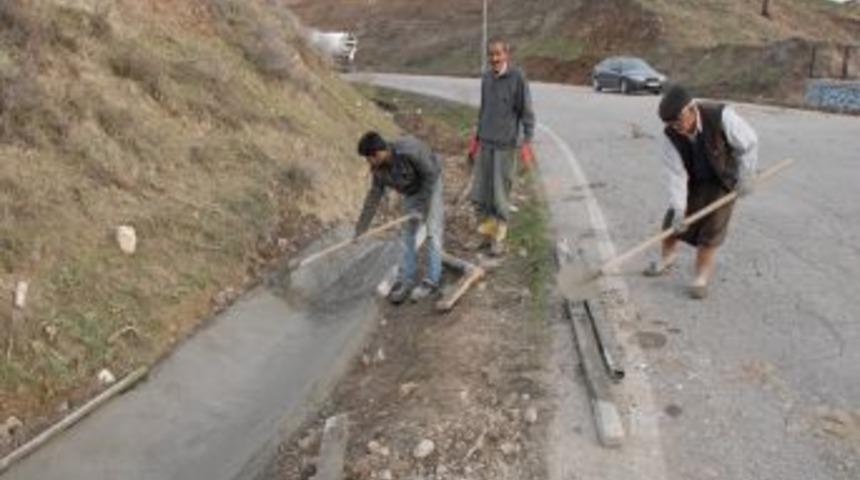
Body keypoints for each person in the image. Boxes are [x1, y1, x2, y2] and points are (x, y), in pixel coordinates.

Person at [645, 85, 759, 299]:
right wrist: (679, 209)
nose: (677, 127)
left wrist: (746, 176)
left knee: (711, 229)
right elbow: (676, 174)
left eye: (679, 121)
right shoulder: (671, 135)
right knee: (672, 223)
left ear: (691, 108)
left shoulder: (721, 116)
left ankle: (700, 278)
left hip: (722, 180)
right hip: (694, 179)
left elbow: (749, 144)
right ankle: (667, 259)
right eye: (671, 124)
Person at [355, 131, 444, 304]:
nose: (368, 163)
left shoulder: (408, 150)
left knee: (433, 230)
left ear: (378, 153)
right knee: (407, 234)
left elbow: (431, 175)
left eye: (368, 158)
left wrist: (421, 207)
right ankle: (406, 279)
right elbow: (373, 197)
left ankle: (432, 281)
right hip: (411, 190)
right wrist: (361, 228)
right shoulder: (378, 169)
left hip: (430, 183)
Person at [467, 38, 536, 256]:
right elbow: (484, 109)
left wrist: (527, 141)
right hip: (485, 143)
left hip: (505, 146)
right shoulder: (486, 78)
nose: (494, 59)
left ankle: (498, 239)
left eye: (498, 54)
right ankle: (485, 237)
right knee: (482, 194)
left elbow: (526, 112)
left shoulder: (517, 78)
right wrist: (475, 139)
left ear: (507, 55)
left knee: (500, 195)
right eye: (491, 55)